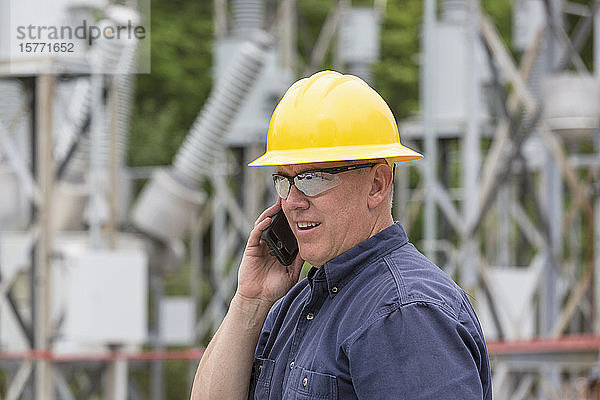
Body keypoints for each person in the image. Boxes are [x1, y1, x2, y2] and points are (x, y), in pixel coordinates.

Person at [190, 70, 492, 399]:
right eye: (283, 181)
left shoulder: (403, 313)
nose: (292, 202)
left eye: (313, 178)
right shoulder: (295, 304)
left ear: (377, 185)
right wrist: (250, 300)